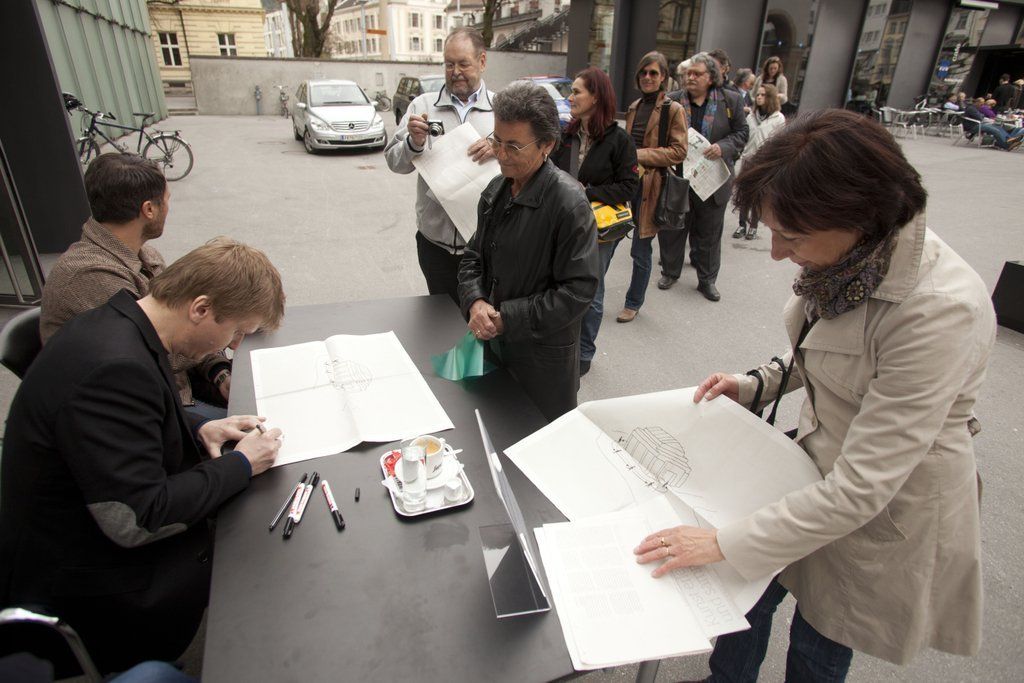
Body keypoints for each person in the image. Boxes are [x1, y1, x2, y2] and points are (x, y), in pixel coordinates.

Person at [634, 110, 996, 680]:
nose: (777, 254)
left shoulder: (938, 311)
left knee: (820, 637)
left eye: (792, 237)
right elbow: (826, 350)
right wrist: (755, 384)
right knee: (748, 600)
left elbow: (861, 488)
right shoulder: (852, 263)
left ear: (860, 216)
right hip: (811, 471)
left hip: (884, 502)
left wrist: (722, 542)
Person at [1, 239, 286, 674]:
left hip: (77, 531)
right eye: (235, 331)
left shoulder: (120, 323)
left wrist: (200, 427)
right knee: (263, 568)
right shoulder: (114, 369)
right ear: (201, 308)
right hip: (92, 590)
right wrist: (241, 464)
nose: (232, 345)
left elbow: (136, 419)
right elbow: (139, 519)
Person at [40, 153, 231, 418]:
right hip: (145, 408)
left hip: (179, 386)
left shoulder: (145, 255)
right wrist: (223, 334)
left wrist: (219, 371)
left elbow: (186, 325)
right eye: (167, 199)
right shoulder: (90, 277)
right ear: (149, 209)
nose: (169, 207)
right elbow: (157, 351)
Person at [458, 82, 599, 421]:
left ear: (547, 144)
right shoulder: (496, 189)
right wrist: (476, 301)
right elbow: (473, 257)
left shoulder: (569, 204)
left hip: (543, 364)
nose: (500, 154)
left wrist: (507, 318)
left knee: (539, 439)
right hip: (493, 348)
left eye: (514, 146)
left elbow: (577, 292)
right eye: (496, 140)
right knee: (492, 429)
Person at [384, 27, 496, 304]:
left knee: (481, 317)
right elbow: (394, 162)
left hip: (484, 247)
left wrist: (500, 147)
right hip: (434, 245)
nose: (455, 72)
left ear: (482, 61)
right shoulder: (422, 105)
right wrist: (413, 143)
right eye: (448, 64)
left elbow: (526, 161)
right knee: (441, 319)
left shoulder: (502, 108)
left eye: (463, 64)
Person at [551, 67, 639, 376]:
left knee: (592, 290)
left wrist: (587, 192)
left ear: (596, 97)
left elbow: (629, 187)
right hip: (563, 222)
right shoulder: (567, 134)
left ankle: (584, 353)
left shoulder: (620, 140)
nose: (570, 97)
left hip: (599, 229)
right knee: (560, 283)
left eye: (577, 92)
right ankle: (562, 344)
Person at [660, 52, 748, 301]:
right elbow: (660, 134)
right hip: (680, 177)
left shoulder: (730, 101)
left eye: (697, 74)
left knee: (709, 233)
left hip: (713, 179)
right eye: (688, 73)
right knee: (673, 229)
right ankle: (670, 272)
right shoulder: (672, 101)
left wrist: (723, 147)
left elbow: (742, 133)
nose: (690, 77)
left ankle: (707, 280)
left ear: (711, 77)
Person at [615, 51, 687, 324]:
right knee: (608, 237)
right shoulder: (634, 106)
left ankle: (633, 302)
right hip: (627, 183)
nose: (647, 77)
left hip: (651, 188)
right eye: (644, 72)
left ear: (663, 77)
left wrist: (639, 155)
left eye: (653, 73)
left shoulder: (673, 109)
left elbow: (679, 151)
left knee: (640, 249)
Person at [734, 84, 785, 240]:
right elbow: (744, 136)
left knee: (758, 196)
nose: (759, 97)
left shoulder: (778, 118)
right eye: (758, 95)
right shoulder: (751, 116)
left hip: (764, 163)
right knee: (744, 195)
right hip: (748, 159)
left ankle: (753, 226)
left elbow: (780, 142)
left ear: (770, 97)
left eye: (763, 95)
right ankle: (742, 225)